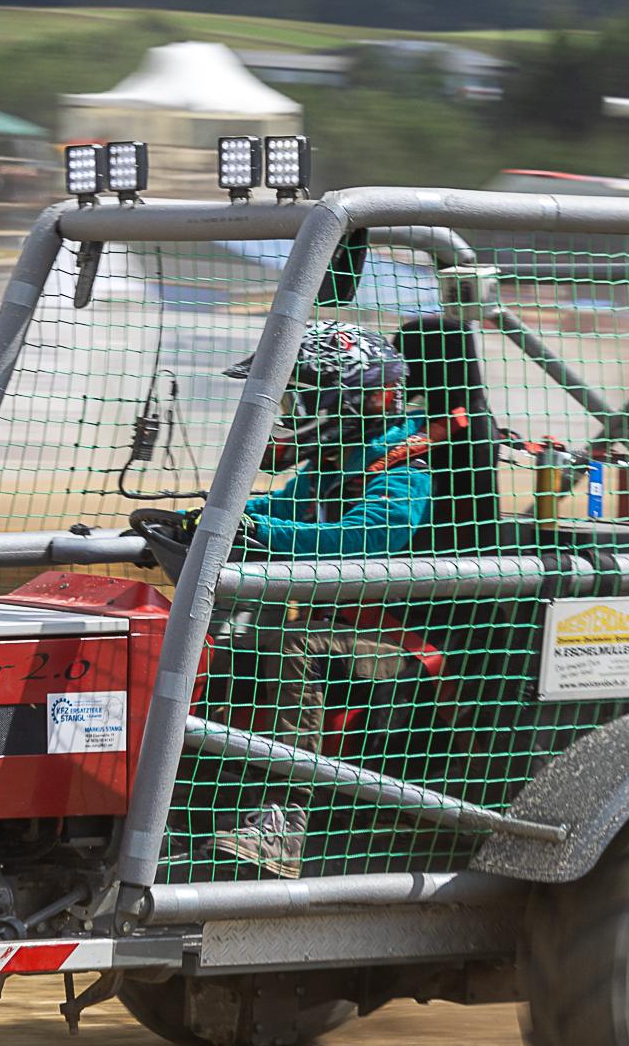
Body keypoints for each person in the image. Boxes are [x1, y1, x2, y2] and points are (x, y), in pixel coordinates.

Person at [138, 319, 437, 876]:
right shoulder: (333, 463)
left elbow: (367, 539)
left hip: (396, 642)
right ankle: (188, 799)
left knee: (286, 641)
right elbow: (273, 507)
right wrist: (196, 520)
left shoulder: (403, 467)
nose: (286, 413)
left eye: (295, 398)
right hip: (335, 630)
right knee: (220, 632)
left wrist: (259, 530)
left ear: (346, 400)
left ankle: (284, 822)